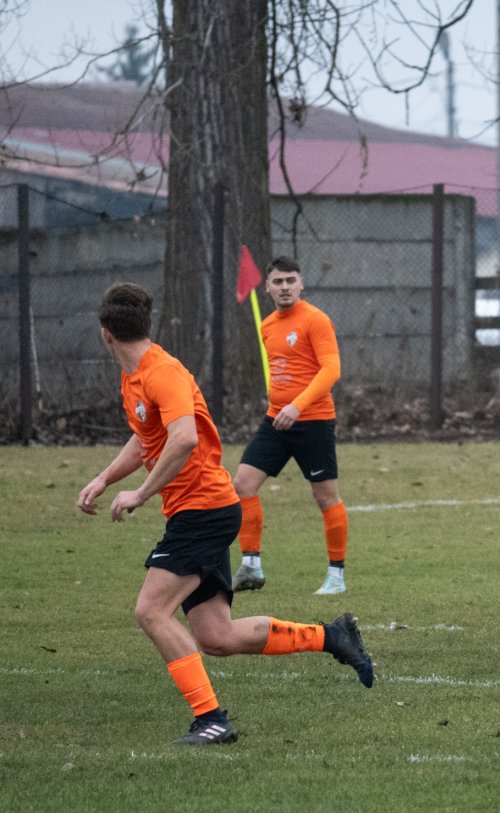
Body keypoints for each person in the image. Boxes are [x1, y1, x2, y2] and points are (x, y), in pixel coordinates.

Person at [77, 283, 374, 746]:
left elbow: (184, 439)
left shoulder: (163, 372)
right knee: (216, 637)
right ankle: (332, 637)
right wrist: (104, 479)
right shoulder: (134, 377)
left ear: (105, 335)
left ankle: (211, 719)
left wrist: (141, 493)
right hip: (197, 510)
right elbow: (147, 437)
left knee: (151, 611)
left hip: (204, 511)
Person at [231, 256, 350, 595]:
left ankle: (336, 577)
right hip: (276, 420)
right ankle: (251, 567)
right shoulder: (267, 325)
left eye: (290, 280)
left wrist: (297, 406)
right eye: (278, 281)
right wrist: (281, 403)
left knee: (325, 497)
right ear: (267, 286)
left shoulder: (316, 320)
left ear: (301, 284)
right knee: (242, 484)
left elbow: (331, 370)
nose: (284, 287)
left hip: (313, 421)